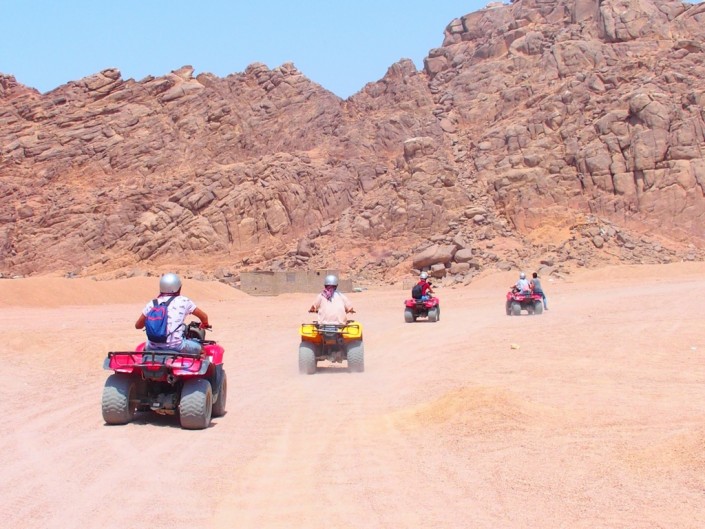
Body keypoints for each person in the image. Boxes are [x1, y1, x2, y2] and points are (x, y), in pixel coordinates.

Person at [135, 273, 209, 354]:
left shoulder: (152, 303)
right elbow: (204, 317)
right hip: (176, 346)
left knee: (144, 350)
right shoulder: (184, 301)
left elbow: (138, 326)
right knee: (202, 350)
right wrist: (205, 324)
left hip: (152, 347)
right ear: (178, 288)